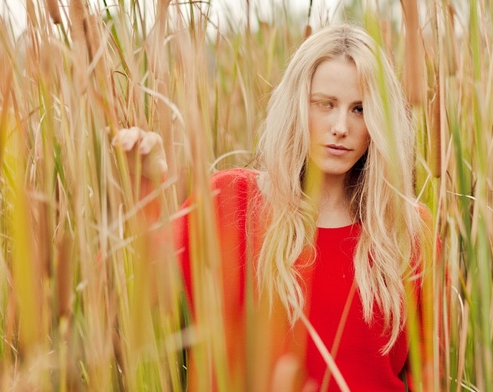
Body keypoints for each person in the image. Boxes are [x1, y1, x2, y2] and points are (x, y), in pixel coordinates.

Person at [114, 24, 437, 392]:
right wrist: (144, 191)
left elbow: (427, 374)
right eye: (325, 104)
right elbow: (140, 297)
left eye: (360, 109)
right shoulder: (231, 202)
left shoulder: (408, 231)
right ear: (298, 106)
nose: (341, 126)